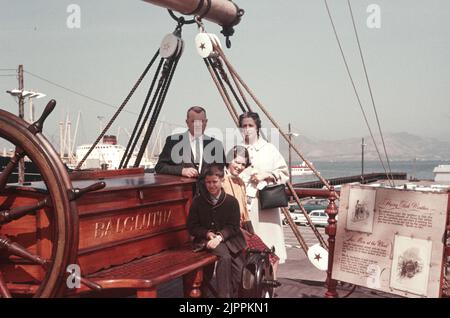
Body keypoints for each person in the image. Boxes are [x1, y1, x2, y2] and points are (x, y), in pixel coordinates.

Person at [238, 111, 289, 277]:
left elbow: (284, 173)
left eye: (250, 125)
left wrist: (266, 174)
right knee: (248, 249)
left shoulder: (269, 149)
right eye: (244, 126)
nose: (247, 129)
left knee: (271, 246)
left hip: (266, 206)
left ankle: (271, 286)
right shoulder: (237, 150)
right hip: (245, 207)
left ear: (258, 127)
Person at [186, 164, 246, 298]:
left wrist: (219, 237)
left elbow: (234, 226)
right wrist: (206, 233)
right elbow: (192, 226)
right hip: (206, 240)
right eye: (208, 182)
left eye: (215, 182)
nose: (211, 185)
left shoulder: (232, 202)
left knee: (239, 272)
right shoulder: (198, 201)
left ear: (222, 181)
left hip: (230, 240)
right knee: (224, 258)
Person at [222, 145, 280, 265]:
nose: (239, 167)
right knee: (261, 258)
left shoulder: (240, 182)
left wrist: (251, 232)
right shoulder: (220, 181)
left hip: (241, 228)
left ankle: (266, 283)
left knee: (271, 257)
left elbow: (244, 212)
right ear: (229, 160)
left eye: (243, 164)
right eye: (237, 162)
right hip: (228, 231)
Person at [155, 106, 226, 178]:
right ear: (187, 122)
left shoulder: (217, 145)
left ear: (206, 122)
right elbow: (160, 167)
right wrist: (182, 171)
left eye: (201, 121)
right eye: (194, 121)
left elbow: (220, 172)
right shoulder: (173, 142)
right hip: (184, 188)